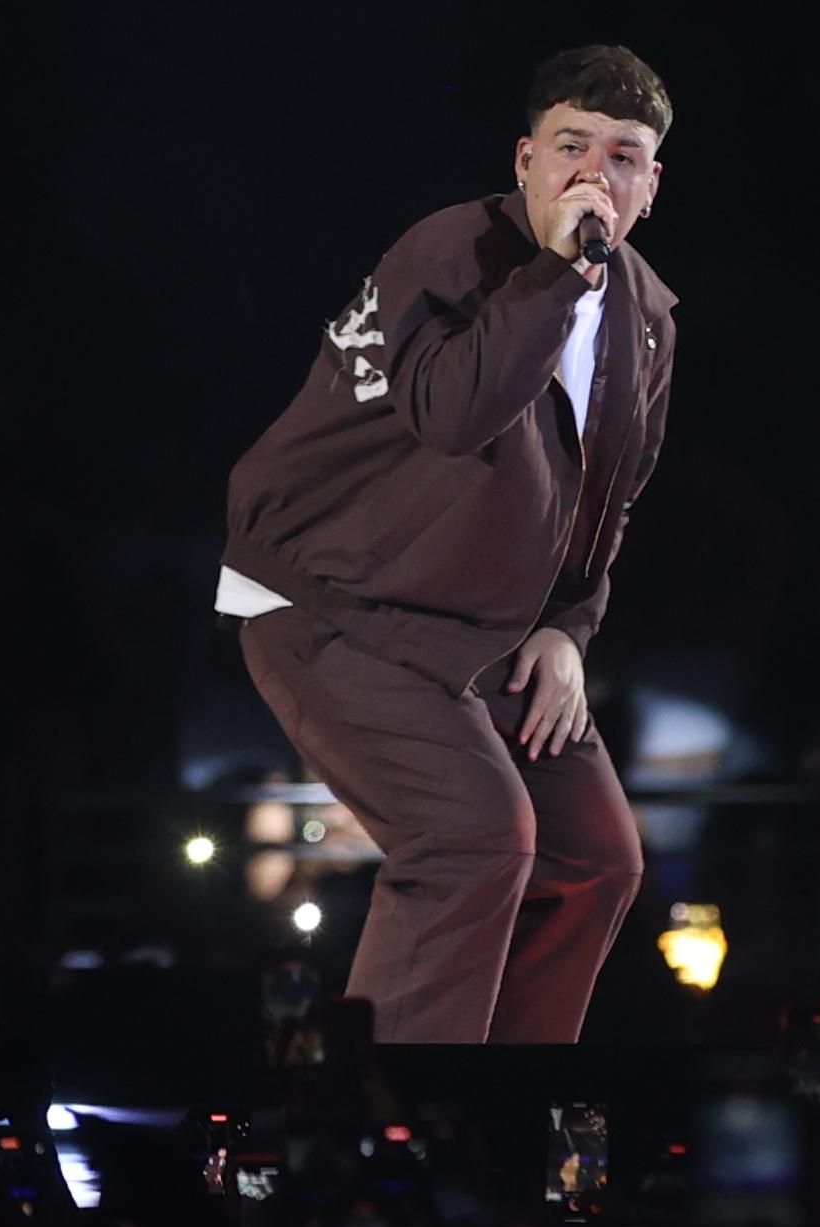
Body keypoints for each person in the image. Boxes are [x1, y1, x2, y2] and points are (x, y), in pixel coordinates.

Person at [215, 45, 678, 1044]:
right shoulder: (448, 252)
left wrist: (568, 630)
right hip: (327, 601)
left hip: (472, 624)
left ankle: (504, 1102)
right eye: (570, 146)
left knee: (597, 858)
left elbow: (610, 496)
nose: (594, 175)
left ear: (652, 184)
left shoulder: (645, 316)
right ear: (524, 160)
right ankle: (395, 1105)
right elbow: (453, 415)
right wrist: (556, 275)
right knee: (472, 838)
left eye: (623, 156)